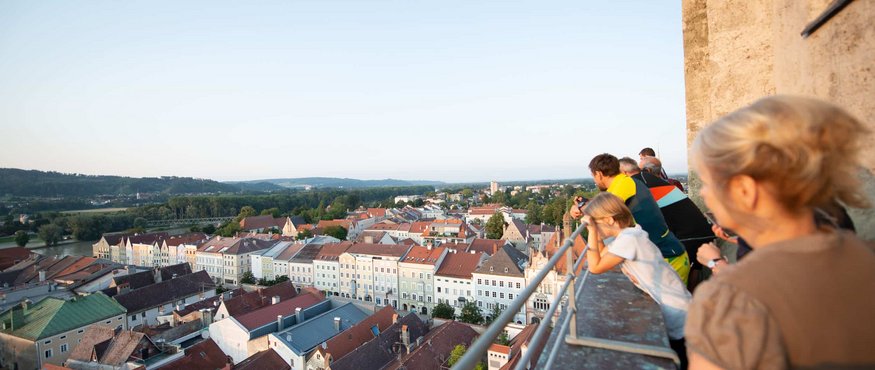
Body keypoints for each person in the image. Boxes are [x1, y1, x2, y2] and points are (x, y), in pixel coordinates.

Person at [685, 95, 875, 369]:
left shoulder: (729, 298)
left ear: (744, 190)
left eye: (707, 182)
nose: (704, 193)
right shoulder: (864, 252)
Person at [580, 192, 691, 368]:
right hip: (679, 308)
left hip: (678, 315)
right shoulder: (631, 235)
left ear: (609, 220)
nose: (595, 227)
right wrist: (595, 232)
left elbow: (595, 267)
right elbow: (601, 255)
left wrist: (592, 231)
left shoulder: (629, 240)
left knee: (685, 361)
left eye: (596, 222)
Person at [571, 153, 690, 283]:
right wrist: (584, 206)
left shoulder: (622, 186)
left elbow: (601, 209)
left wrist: (581, 209)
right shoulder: (626, 182)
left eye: (594, 176)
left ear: (598, 174)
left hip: (668, 259)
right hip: (666, 255)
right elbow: (603, 203)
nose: (594, 180)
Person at [619, 157, 714, 289]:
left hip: (690, 235)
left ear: (623, 172)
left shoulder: (637, 182)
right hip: (699, 231)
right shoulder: (647, 178)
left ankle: (687, 301)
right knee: (692, 272)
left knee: (680, 280)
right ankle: (691, 299)